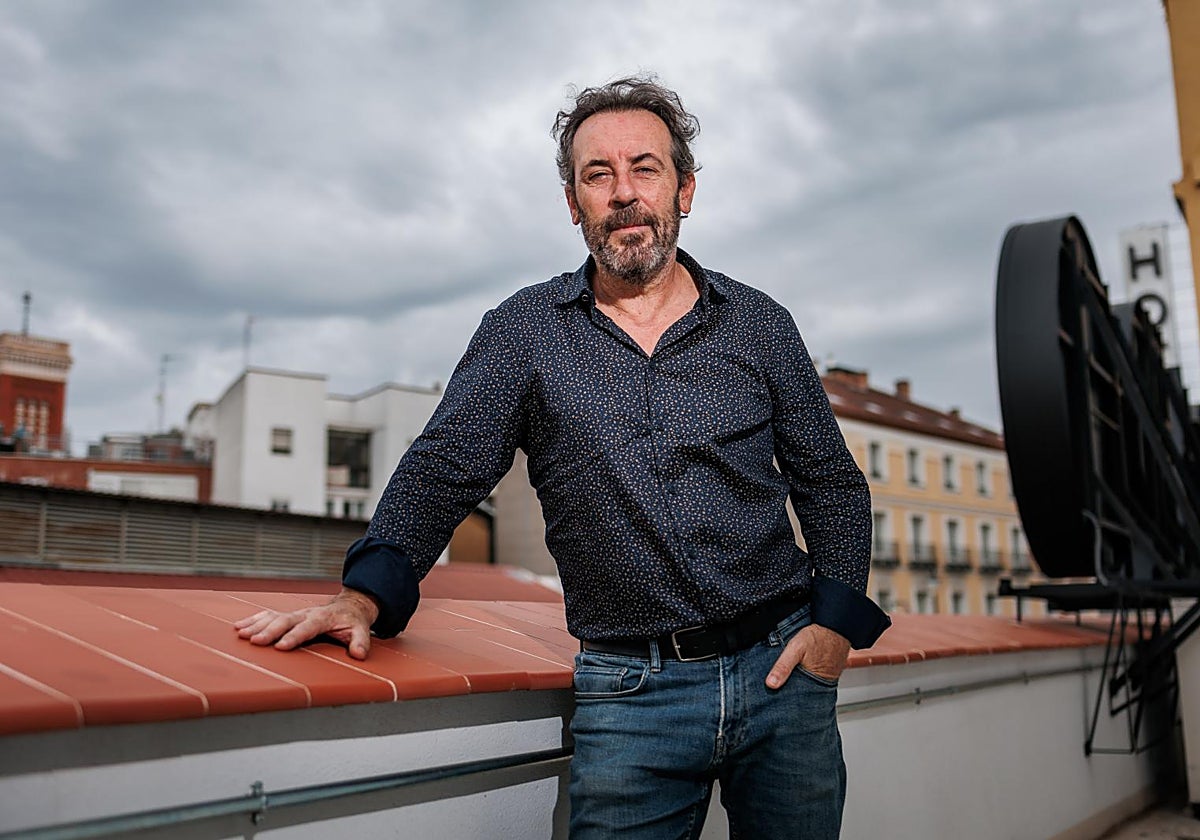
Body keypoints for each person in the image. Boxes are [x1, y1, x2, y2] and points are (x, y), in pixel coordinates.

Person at [236, 76, 890, 839]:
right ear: (573, 203)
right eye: (597, 174)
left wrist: (835, 625)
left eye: (645, 168)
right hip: (630, 692)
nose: (623, 193)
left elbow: (832, 483)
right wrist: (364, 597)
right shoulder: (524, 332)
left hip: (784, 674)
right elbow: (444, 468)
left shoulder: (759, 323)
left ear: (685, 190)